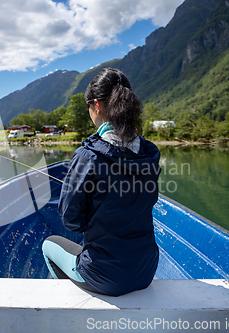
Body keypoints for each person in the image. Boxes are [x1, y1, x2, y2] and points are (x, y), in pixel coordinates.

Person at [42, 68, 161, 296]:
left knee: (49, 244)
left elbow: (71, 220)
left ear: (96, 105)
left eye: (88, 106)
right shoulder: (150, 152)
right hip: (146, 270)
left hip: (105, 276)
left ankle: (73, 302)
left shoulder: (88, 156)